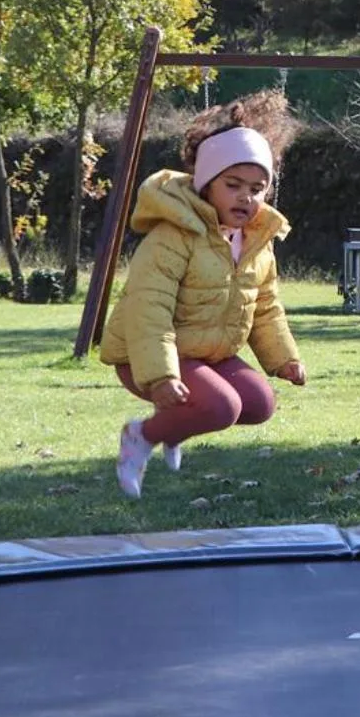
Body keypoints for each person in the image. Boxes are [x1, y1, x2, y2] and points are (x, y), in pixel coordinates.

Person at [98, 93, 306, 498]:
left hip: (208, 353)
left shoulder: (256, 241)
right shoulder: (172, 237)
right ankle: (140, 436)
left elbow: (265, 306)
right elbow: (149, 308)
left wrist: (284, 359)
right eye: (233, 186)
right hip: (149, 355)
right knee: (220, 407)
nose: (246, 197)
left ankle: (179, 424)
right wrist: (161, 377)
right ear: (207, 183)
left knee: (259, 404)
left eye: (257, 189)